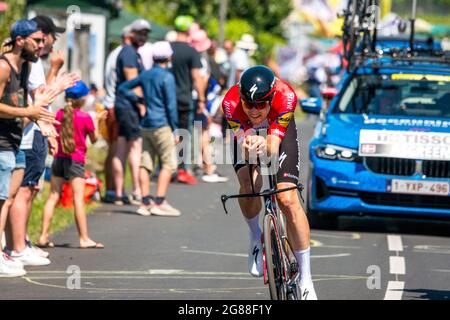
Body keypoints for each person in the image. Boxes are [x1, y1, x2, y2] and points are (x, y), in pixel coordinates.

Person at [222, 65, 318, 300]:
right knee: (249, 187)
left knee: (287, 198)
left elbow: (273, 148)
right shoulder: (230, 103)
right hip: (247, 135)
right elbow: (245, 147)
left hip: (278, 132)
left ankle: (306, 278)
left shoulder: (286, 97)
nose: (254, 111)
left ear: (271, 98)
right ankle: (256, 237)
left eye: (261, 104)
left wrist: (264, 144)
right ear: (241, 98)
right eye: (249, 104)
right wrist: (248, 144)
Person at [6, 15, 76, 265]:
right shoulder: (17, 63)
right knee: (15, 194)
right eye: (41, 38)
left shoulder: (27, 62)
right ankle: (16, 246)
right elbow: (37, 100)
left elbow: (34, 102)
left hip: (28, 131)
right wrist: (56, 80)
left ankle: (19, 243)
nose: (45, 43)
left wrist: (46, 125)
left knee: (23, 192)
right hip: (21, 135)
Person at [0, 19, 57, 277]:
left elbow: (25, 105)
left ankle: (10, 250)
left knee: (10, 198)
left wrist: (38, 117)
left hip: (17, 138)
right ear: (21, 40)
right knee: (2, 200)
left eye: (43, 40)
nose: (42, 44)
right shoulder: (3, 67)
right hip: (2, 142)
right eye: (37, 40)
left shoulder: (25, 67)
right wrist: (29, 111)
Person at [38, 80, 106, 249]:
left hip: (59, 159)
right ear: (82, 100)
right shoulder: (85, 118)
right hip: (76, 161)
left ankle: (43, 236)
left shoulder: (59, 114)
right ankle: (84, 238)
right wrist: (97, 120)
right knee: (78, 200)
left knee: (53, 195)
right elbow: (94, 139)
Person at [118, 41, 180, 217]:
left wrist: (138, 100)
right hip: (162, 125)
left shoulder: (145, 74)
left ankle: (145, 201)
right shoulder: (167, 77)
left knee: (145, 163)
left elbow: (123, 88)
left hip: (145, 124)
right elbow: (171, 105)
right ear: (168, 57)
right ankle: (160, 201)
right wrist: (176, 128)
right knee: (169, 163)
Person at [112, 19, 150, 205]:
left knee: (122, 147)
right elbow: (133, 82)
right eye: (140, 33)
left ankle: (120, 193)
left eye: (146, 34)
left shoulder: (131, 52)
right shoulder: (128, 54)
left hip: (123, 105)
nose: (143, 37)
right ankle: (136, 190)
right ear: (130, 34)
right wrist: (142, 104)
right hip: (129, 105)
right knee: (135, 147)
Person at [170, 15, 206, 185]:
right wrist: (201, 98)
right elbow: (196, 77)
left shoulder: (167, 48)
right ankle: (182, 169)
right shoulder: (191, 51)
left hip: (168, 99)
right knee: (185, 134)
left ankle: (165, 168)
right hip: (185, 98)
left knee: (169, 133)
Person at [102, 25, 132, 204]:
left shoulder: (116, 53)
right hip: (114, 106)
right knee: (115, 149)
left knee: (114, 150)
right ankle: (111, 189)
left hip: (111, 104)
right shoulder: (124, 54)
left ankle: (112, 188)